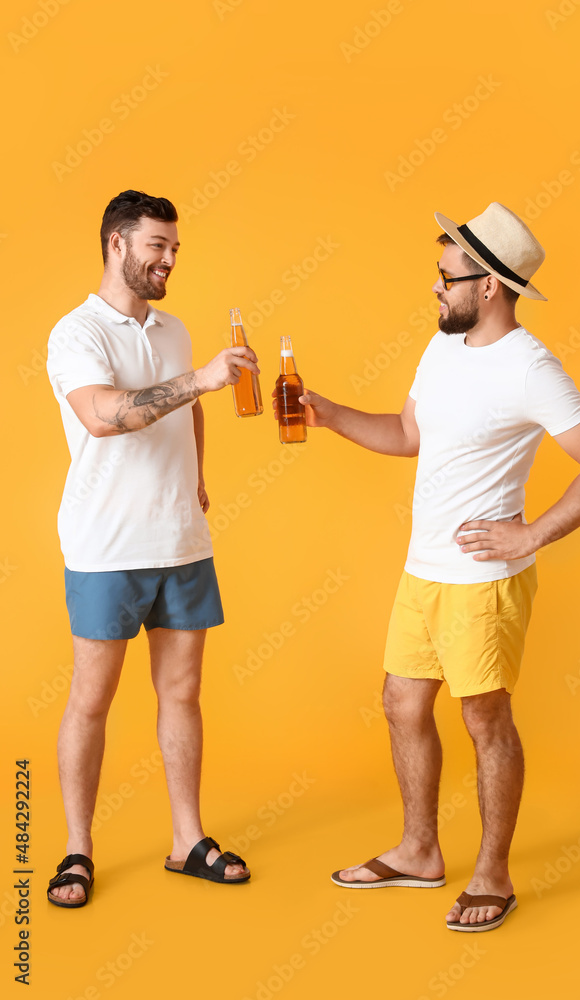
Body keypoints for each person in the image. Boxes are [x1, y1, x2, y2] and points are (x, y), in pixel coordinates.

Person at [298, 203, 580, 931]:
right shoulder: (442, 347)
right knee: (401, 703)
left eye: (445, 276)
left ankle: (493, 874)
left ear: (487, 286)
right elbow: (407, 433)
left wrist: (530, 535)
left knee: (484, 718)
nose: (434, 288)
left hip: (482, 583)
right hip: (423, 572)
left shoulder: (531, 367)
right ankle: (419, 851)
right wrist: (329, 414)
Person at [46, 190, 260, 907]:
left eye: (174, 248)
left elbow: (187, 410)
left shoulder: (173, 330)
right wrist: (199, 380)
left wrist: (196, 477)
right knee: (91, 701)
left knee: (182, 694)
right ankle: (78, 849)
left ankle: (186, 839)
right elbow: (105, 417)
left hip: (181, 541)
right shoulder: (75, 333)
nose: (168, 259)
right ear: (116, 244)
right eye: (156, 247)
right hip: (106, 545)